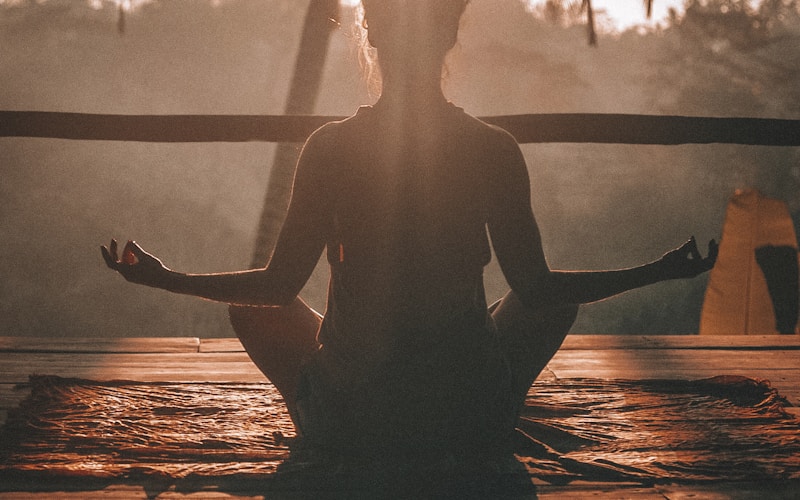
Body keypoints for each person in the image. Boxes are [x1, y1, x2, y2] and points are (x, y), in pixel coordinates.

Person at [102, 0, 717, 461]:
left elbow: (277, 286)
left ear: (370, 32)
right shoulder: (492, 148)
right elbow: (538, 288)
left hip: (354, 420)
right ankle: (496, 408)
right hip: (467, 417)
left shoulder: (330, 148)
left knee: (253, 311)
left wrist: (166, 278)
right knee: (550, 303)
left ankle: (322, 420)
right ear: (450, 33)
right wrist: (658, 270)